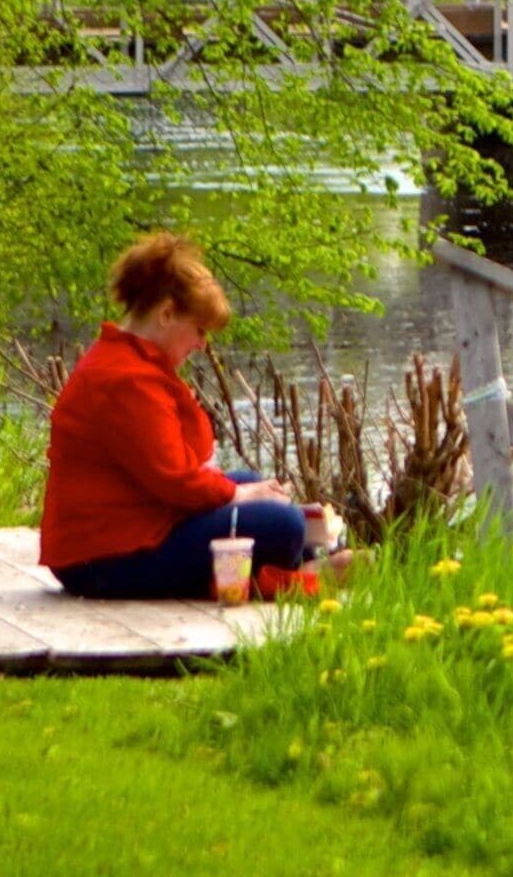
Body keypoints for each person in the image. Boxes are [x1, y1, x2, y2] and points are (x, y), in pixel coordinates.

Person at [38, 232, 318, 601]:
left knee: (256, 486)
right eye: (199, 329)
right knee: (282, 524)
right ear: (167, 314)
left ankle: (299, 571)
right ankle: (302, 576)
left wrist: (244, 491)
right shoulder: (127, 380)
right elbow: (179, 480)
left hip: (130, 528)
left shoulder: (134, 363)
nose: (203, 344)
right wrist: (239, 495)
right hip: (101, 561)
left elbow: (193, 452)